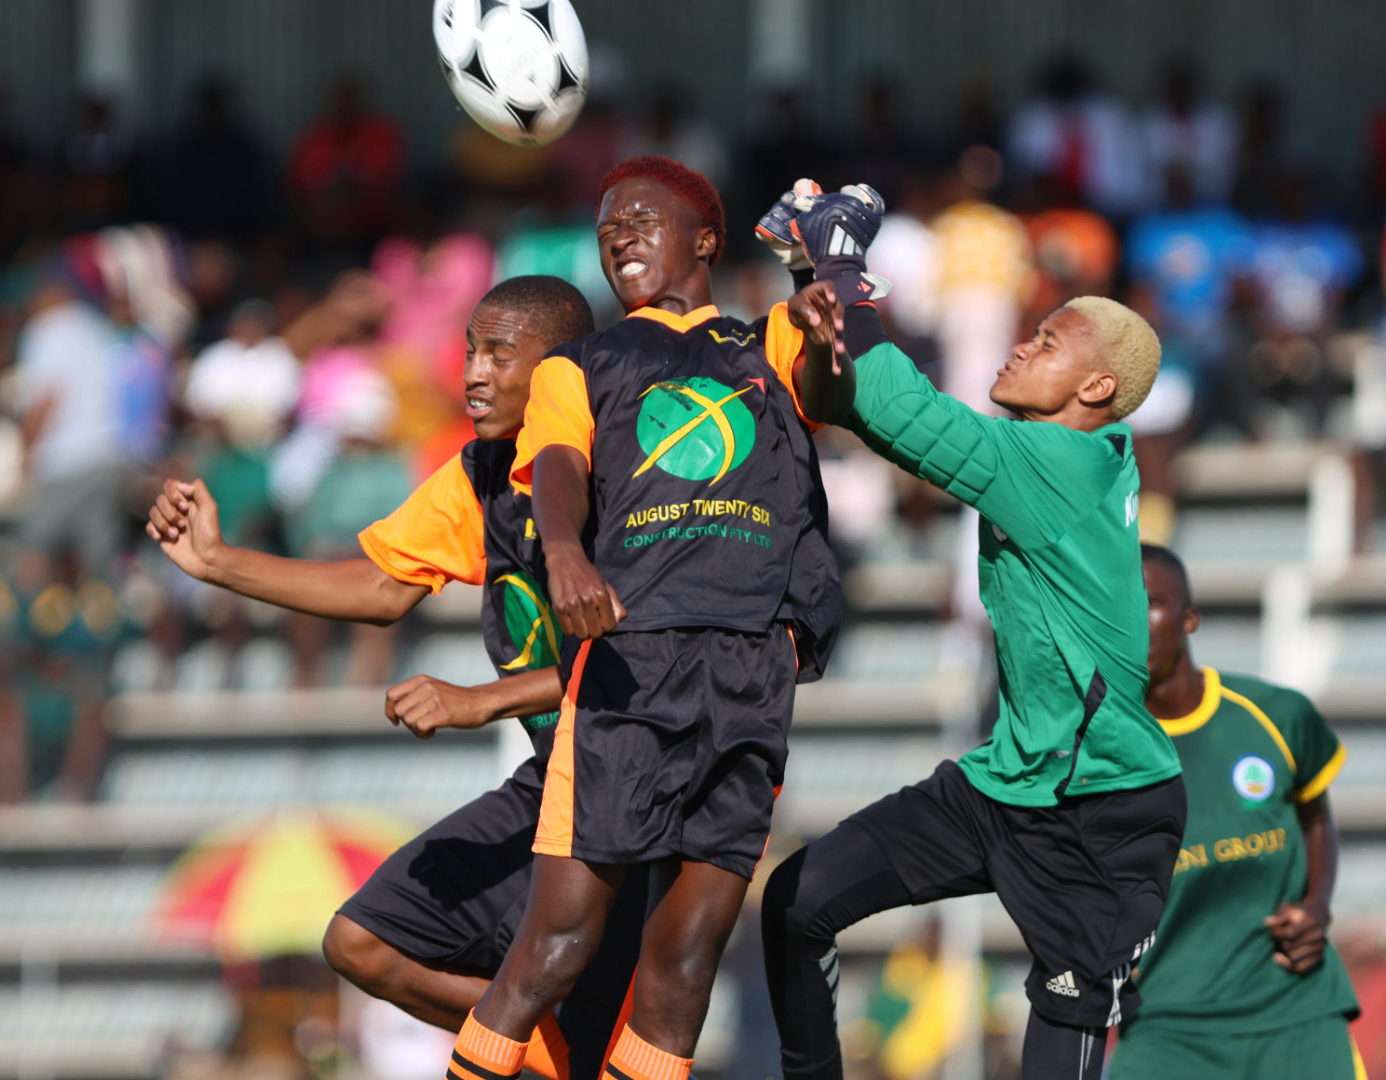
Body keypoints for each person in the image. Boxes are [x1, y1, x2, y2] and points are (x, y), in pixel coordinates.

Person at [147, 275, 638, 1080]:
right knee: (361, 942)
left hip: (645, 789)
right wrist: (217, 562)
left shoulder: (628, 472)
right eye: (470, 351)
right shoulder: (481, 473)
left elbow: (649, 656)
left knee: (649, 1021)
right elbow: (381, 586)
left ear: (560, 371)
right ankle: (569, 1057)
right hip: (558, 783)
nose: (472, 374)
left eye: (499, 355)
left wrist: (480, 701)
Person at [762, 183, 1185, 1080]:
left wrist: (842, 264)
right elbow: (860, 406)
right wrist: (815, 275)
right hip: (1009, 782)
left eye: (1048, 342)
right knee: (797, 901)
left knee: (1059, 1037)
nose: (1021, 345)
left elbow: (894, 410)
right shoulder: (1061, 457)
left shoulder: (1058, 461)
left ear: (1097, 388)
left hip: (1102, 812)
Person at [444, 156, 842, 1080]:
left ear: (706, 238)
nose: (618, 234)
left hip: (751, 667)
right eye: (605, 227)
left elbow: (828, 399)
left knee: (685, 969)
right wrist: (566, 553)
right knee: (554, 948)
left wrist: (826, 334)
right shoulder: (580, 365)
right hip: (632, 662)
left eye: (640, 218)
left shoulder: (771, 339)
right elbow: (558, 465)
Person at [1108, 545, 1363, 1080]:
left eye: (1151, 602)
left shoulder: (1275, 715)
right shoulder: (1098, 756)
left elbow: (1316, 819)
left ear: (1189, 618)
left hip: (1295, 1010)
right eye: (1117, 601)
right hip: (1166, 1028)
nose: (1133, 617)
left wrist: (1316, 907)